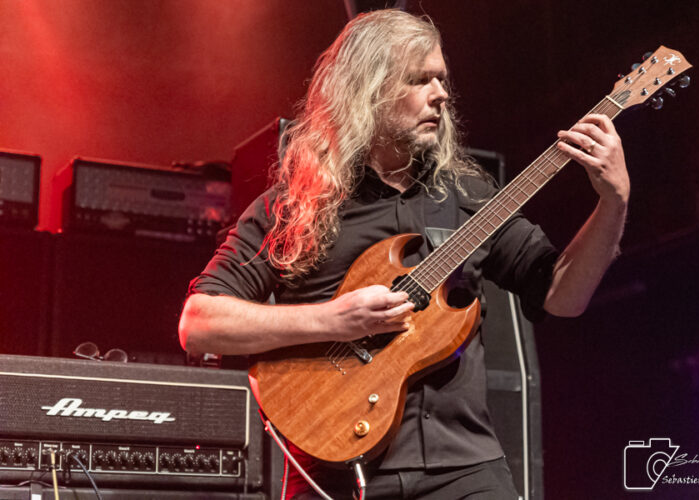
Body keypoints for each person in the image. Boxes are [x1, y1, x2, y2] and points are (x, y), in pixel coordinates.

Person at [179, 9, 629, 500]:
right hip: (336, 472)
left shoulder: (468, 195)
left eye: (442, 79)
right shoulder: (295, 207)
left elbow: (564, 296)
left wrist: (614, 203)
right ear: (367, 90)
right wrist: (333, 320)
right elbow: (199, 323)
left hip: (464, 468)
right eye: (419, 80)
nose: (441, 94)